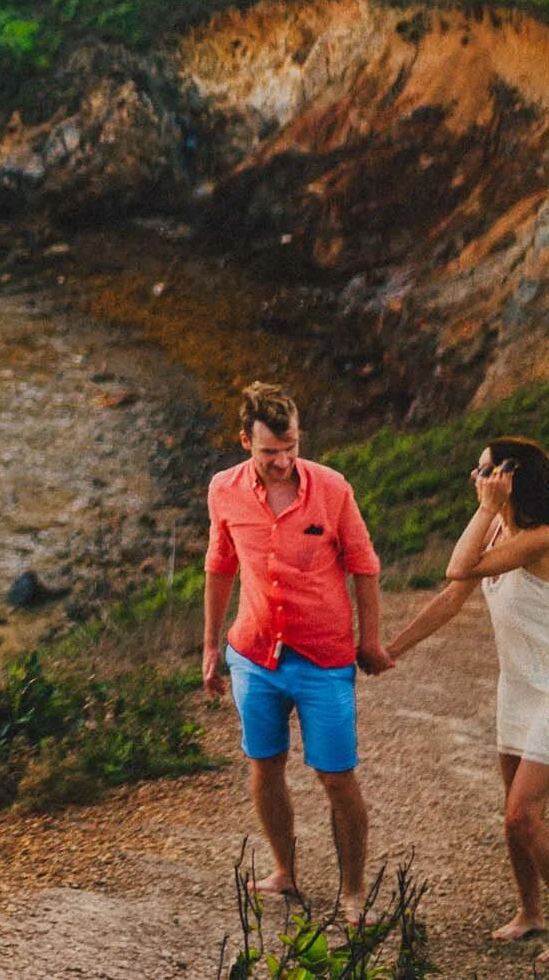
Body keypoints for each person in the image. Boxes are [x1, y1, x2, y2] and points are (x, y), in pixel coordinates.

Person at [385, 437, 549, 966]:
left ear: (510, 475)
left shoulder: (541, 538)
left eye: (484, 472)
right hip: (519, 687)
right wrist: (393, 649)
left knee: (524, 816)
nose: (476, 480)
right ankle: (530, 913)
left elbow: (456, 568)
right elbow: (453, 598)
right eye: (476, 473)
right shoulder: (501, 530)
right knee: (511, 816)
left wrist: (487, 509)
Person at [202, 381, 392, 924]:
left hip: (323, 659)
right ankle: (284, 872)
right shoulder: (223, 489)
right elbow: (219, 567)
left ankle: (352, 891)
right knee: (264, 768)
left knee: (336, 777)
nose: (283, 461)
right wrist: (212, 645)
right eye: (270, 452)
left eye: (291, 448)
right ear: (245, 441)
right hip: (254, 654)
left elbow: (365, 567)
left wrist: (370, 641)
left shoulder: (332, 489)